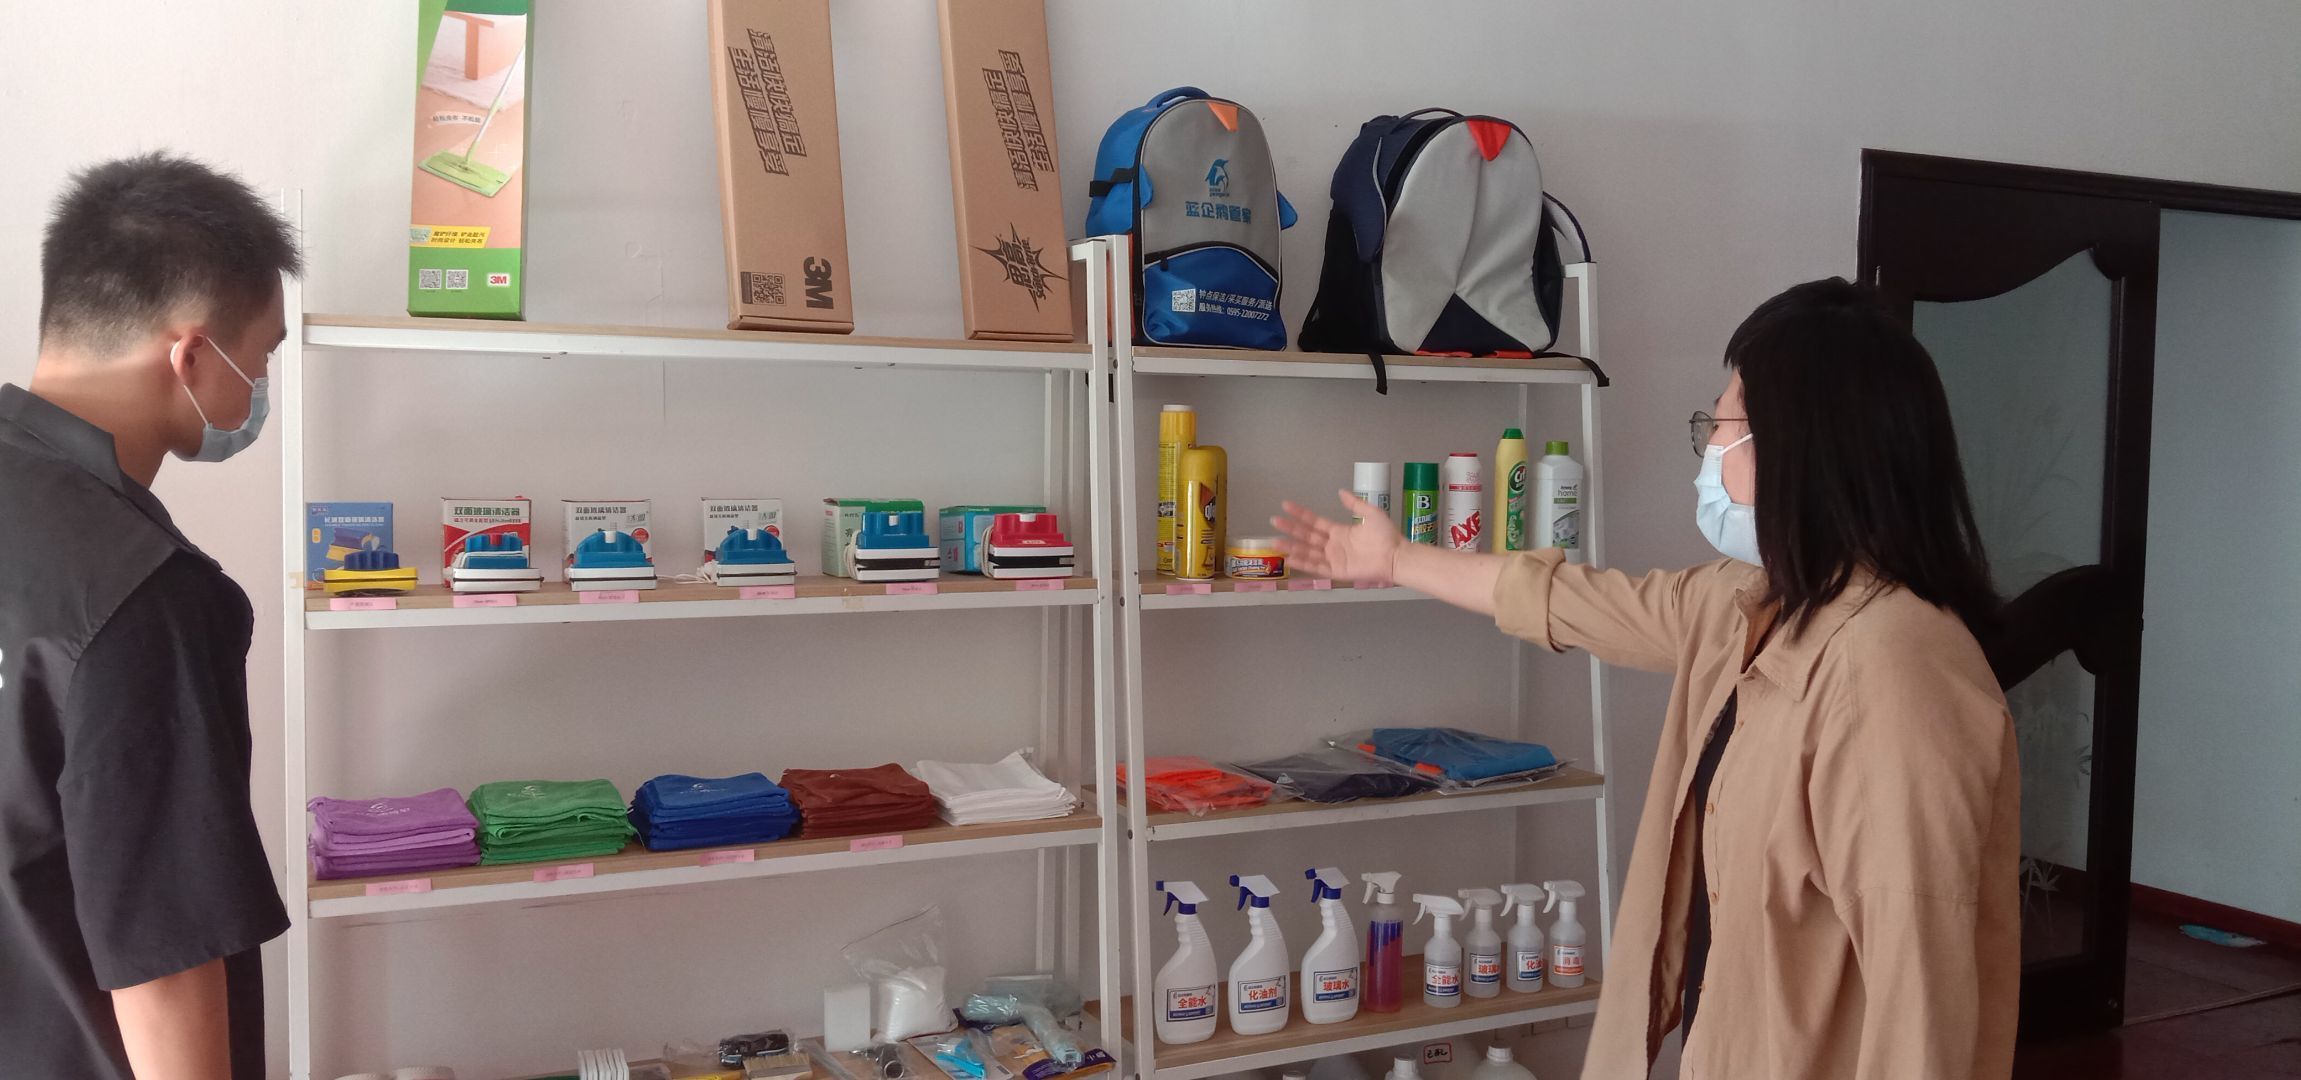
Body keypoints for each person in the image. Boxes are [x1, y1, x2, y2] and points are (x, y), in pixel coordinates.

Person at [1274, 279, 2019, 1080]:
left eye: (1719, 427)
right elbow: (1571, 600)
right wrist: (1395, 559)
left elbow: (1920, 997)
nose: (1708, 454)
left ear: (1798, 447)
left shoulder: (1896, 670)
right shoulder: (1752, 603)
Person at [0, 153, 299, 1080]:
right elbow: (163, 960)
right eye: (264, 355)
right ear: (191, 355)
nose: (260, 383)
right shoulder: (141, 592)